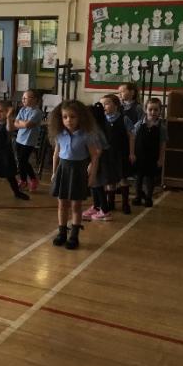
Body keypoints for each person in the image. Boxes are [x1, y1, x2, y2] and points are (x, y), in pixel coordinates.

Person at [49, 100, 100, 250]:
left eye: (72, 117)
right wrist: (54, 172)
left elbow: (94, 156)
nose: (68, 120)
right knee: (62, 204)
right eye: (65, 117)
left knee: (76, 205)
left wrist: (92, 176)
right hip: (63, 171)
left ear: (80, 117)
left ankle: (74, 235)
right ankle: (62, 233)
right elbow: (56, 154)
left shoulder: (86, 135)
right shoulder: (60, 134)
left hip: (78, 172)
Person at [101, 93, 135, 214]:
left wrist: (131, 153)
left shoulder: (124, 119)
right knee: (110, 180)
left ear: (116, 105)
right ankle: (111, 203)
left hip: (121, 154)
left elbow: (131, 136)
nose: (104, 106)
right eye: (102, 104)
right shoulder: (102, 120)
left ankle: (125, 203)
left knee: (123, 178)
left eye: (107, 103)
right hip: (107, 154)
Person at [132, 97, 168, 207]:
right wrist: (132, 153)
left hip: (152, 157)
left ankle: (148, 197)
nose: (153, 112)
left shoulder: (161, 127)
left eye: (156, 110)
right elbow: (132, 139)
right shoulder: (139, 124)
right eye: (150, 109)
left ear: (160, 111)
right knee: (138, 178)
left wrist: (161, 158)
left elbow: (162, 144)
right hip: (139, 156)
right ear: (145, 110)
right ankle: (138, 196)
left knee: (150, 178)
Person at [82, 102, 113, 221]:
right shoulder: (93, 129)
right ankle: (96, 206)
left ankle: (105, 210)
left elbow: (98, 150)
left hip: (99, 159)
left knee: (98, 184)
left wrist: (92, 164)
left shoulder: (95, 131)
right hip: (97, 158)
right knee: (94, 184)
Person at [14, 90, 44, 191]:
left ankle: (28, 180)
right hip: (19, 139)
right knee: (21, 160)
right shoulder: (22, 109)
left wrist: (21, 123)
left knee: (23, 160)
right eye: (22, 98)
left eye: (25, 98)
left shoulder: (37, 112)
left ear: (34, 99)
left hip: (29, 141)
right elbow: (15, 123)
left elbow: (28, 125)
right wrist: (23, 123)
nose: (23, 99)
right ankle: (27, 180)